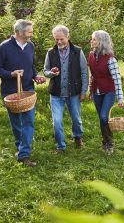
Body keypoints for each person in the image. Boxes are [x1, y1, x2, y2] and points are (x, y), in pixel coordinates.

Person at [0, 19, 46, 167]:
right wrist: (11, 74)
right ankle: (20, 147)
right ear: (19, 32)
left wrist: (36, 76)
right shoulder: (4, 47)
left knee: (29, 122)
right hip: (10, 92)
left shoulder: (30, 46)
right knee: (16, 125)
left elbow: (31, 66)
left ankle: (23, 155)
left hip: (28, 90)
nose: (32, 34)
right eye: (30, 31)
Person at [44, 25, 89, 153]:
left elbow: (84, 72)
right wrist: (51, 73)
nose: (58, 42)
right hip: (56, 93)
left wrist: (83, 91)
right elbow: (45, 71)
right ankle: (61, 146)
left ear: (68, 37)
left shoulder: (78, 51)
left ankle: (78, 137)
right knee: (57, 121)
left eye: (61, 39)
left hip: (74, 92)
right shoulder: (50, 52)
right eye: (56, 39)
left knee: (76, 118)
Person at [88, 30, 124, 155]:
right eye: (92, 39)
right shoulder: (91, 55)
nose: (91, 41)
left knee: (104, 117)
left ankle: (110, 143)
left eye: (94, 39)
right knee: (101, 118)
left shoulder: (110, 59)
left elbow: (117, 79)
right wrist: (90, 89)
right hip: (96, 91)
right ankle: (105, 141)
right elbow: (92, 74)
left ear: (101, 42)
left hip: (109, 91)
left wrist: (120, 98)